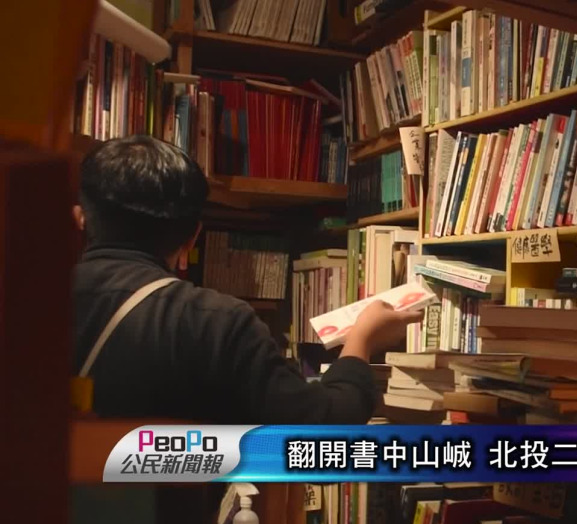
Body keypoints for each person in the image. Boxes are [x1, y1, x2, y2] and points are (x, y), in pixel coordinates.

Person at [72, 135, 420, 424]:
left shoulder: (35, 299)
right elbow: (318, 432)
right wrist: (362, 338)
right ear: (193, 237)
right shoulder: (215, 322)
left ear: (80, 219)